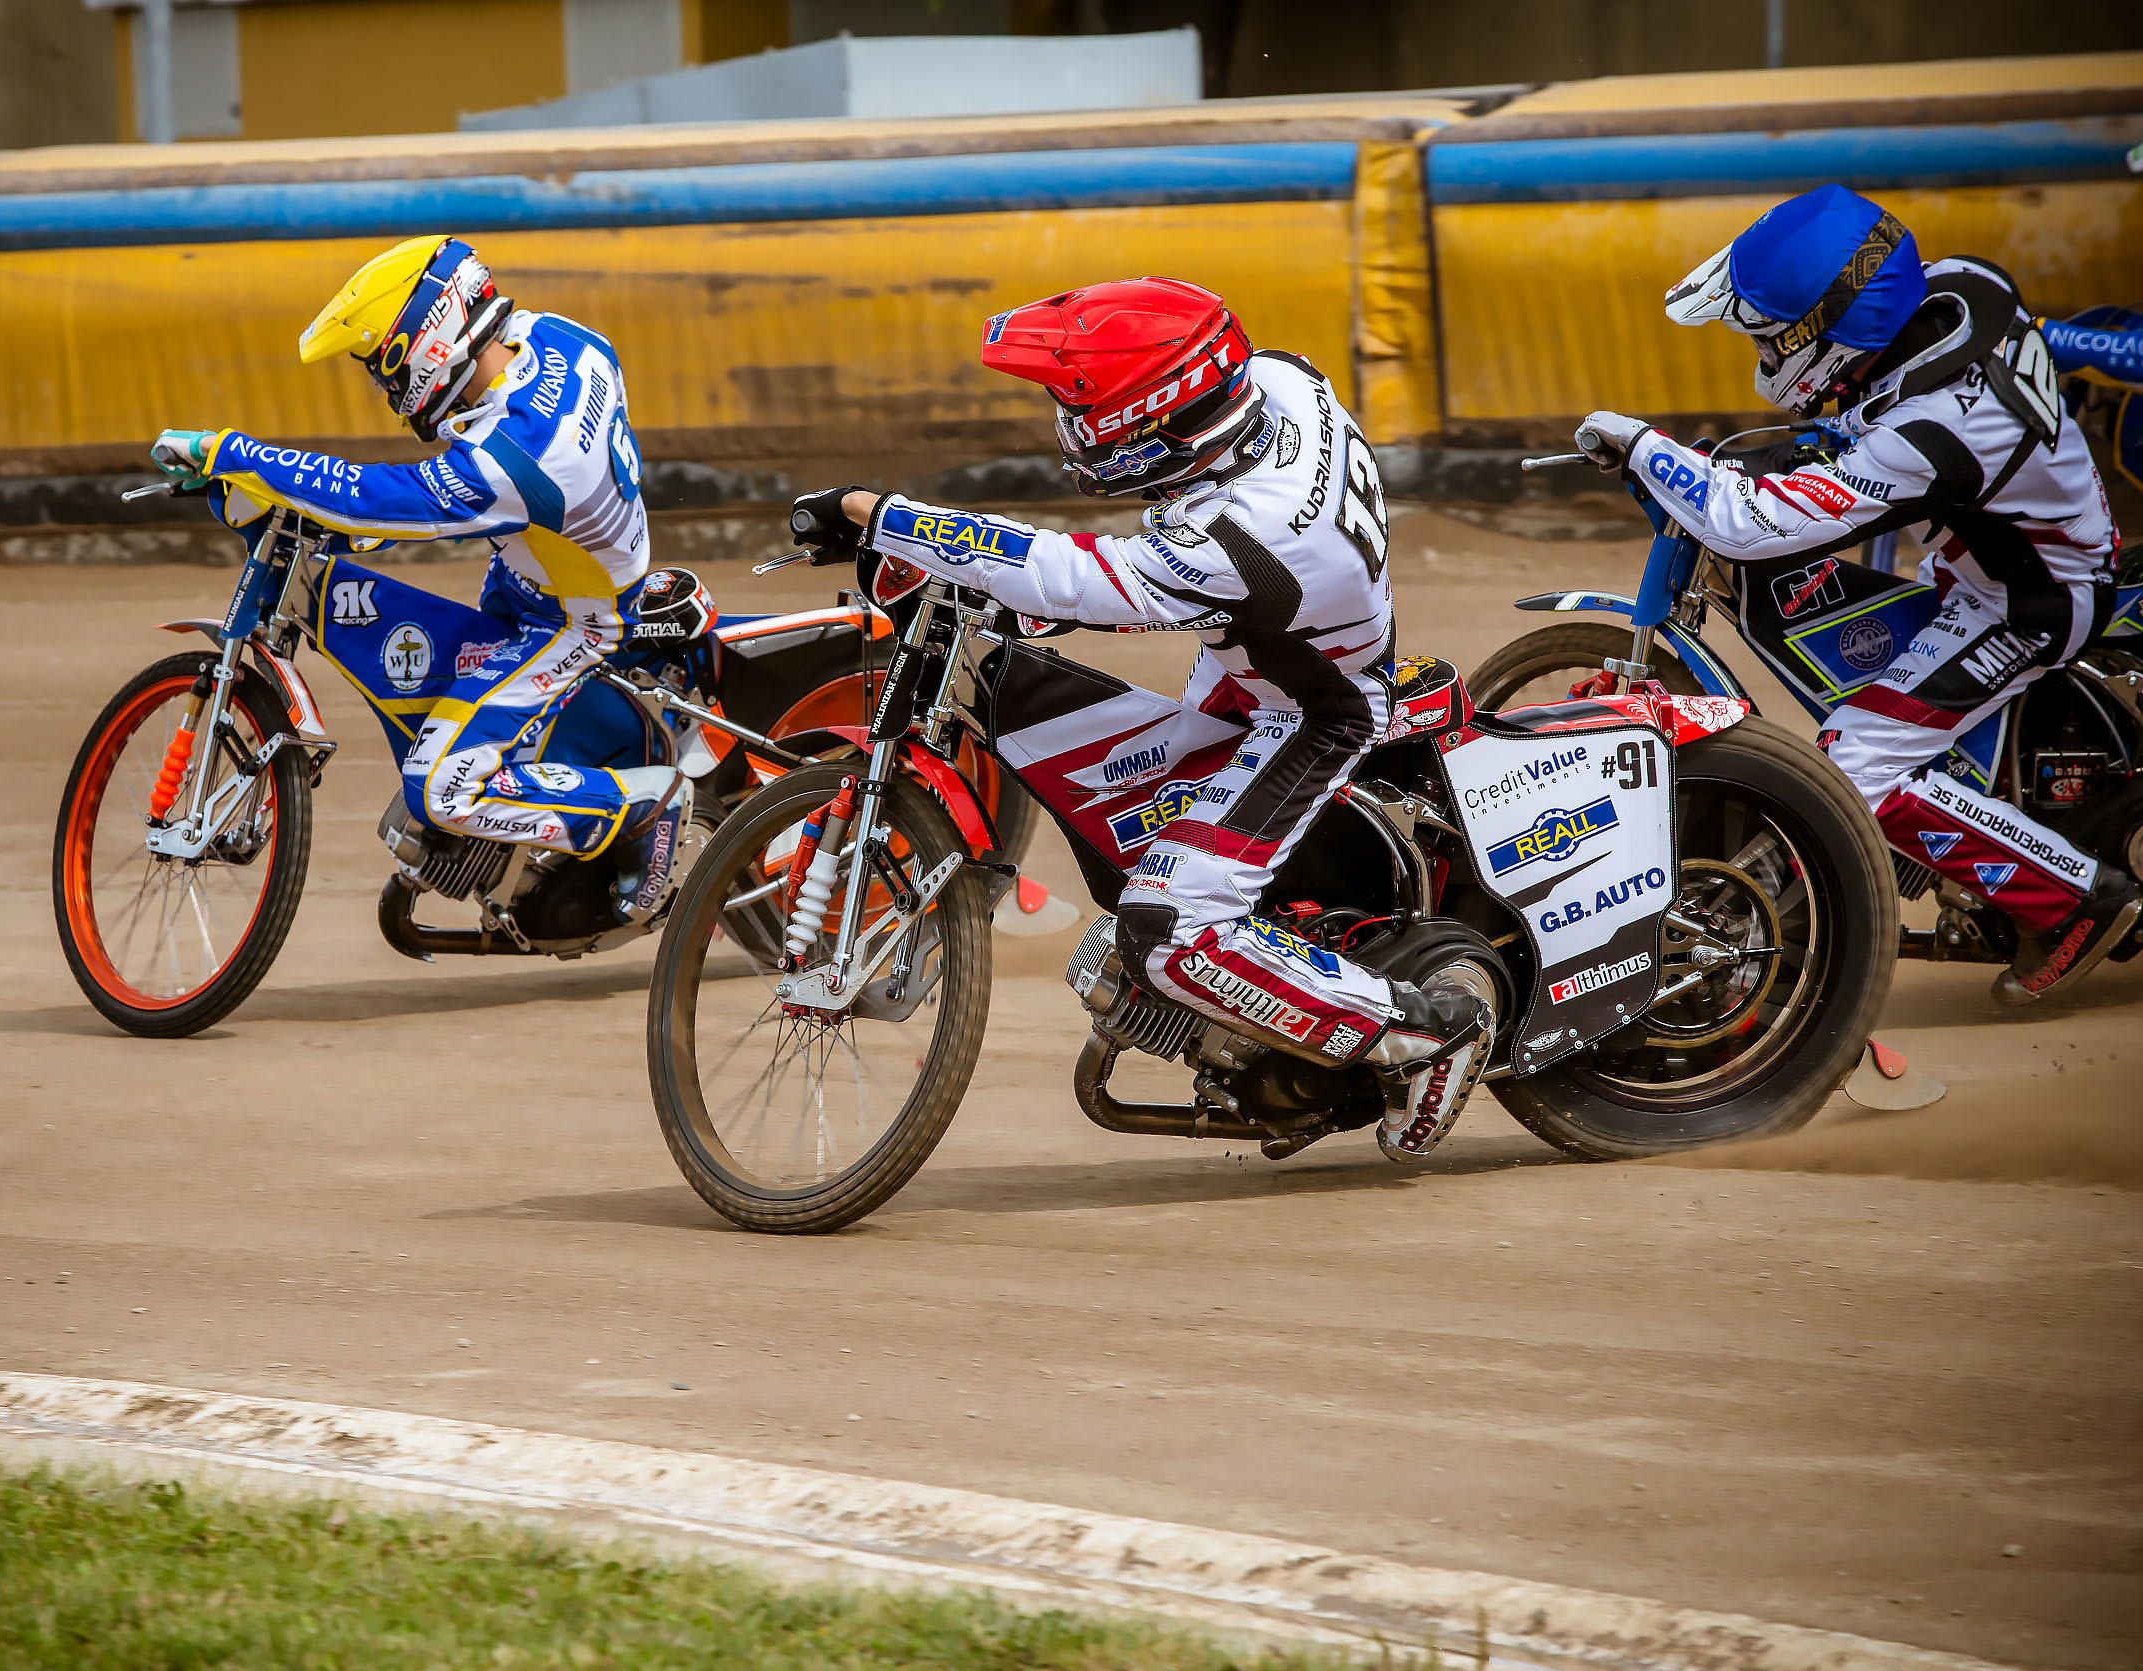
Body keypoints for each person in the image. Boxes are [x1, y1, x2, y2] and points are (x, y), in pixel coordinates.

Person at [788, 277, 1493, 1160]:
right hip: (1261, 653)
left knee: (1165, 929)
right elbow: (1093, 583)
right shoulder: (1275, 381)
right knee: (1133, 816)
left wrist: (875, 514)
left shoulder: (1252, 537)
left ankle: (1422, 1033)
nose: (1074, 430)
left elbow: (1068, 574)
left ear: (1158, 420)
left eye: (1089, 415)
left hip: (1313, 714)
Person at [1575, 184, 2139, 1003]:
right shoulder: (1958, 284)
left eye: (1770, 341)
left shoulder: (1934, 433)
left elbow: (1755, 524)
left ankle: (2077, 901)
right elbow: (1874, 414)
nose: (1764, 358)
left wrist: (1644, 448)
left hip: (2026, 604)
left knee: (1856, 765)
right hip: (2001, 545)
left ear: (1829, 335)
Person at [147, 235, 714, 920]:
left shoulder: (519, 456)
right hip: (539, 572)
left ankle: (638, 808)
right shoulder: (559, 338)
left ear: (432, 336)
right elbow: (417, 509)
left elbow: (385, 499)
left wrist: (234, 452)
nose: (388, 392)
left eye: (386, 367)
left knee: (441, 785)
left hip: (572, 623)